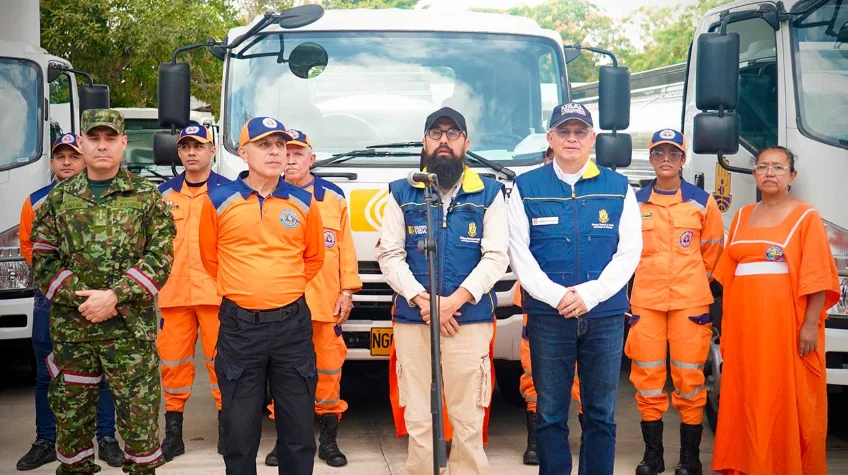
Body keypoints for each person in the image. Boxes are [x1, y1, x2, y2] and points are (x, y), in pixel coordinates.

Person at [31, 109, 175, 474]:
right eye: (93, 139)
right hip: (74, 336)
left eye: (110, 138)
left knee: (140, 430)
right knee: (72, 426)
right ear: (81, 144)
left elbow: (161, 257)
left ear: (123, 143)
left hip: (129, 334)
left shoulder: (147, 197)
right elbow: (43, 260)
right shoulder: (58, 200)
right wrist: (86, 300)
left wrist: (114, 296)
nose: (102, 146)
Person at [508, 102, 642, 475]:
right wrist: (556, 296)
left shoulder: (618, 188)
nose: (571, 138)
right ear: (549, 138)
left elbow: (630, 251)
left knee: (601, 413)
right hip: (549, 317)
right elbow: (518, 251)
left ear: (592, 139)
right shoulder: (526, 186)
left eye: (579, 132)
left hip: (605, 316)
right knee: (550, 412)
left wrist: (589, 295)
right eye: (563, 131)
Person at [376, 107, 508, 475]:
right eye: (436, 134)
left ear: (466, 142)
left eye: (453, 134)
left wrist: (453, 303)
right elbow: (389, 254)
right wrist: (424, 301)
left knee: (468, 419)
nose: (444, 141)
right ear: (425, 142)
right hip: (413, 321)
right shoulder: (401, 192)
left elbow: (496, 258)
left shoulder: (490, 193)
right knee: (418, 416)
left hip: (469, 321)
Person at [198, 117, 325, 475]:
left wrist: (281, 288)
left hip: (292, 328)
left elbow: (314, 257)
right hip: (240, 330)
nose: (275, 152)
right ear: (243, 152)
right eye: (264, 145)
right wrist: (248, 289)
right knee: (239, 434)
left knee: (298, 432)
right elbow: (211, 258)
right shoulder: (218, 201)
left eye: (280, 146)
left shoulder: (302, 202)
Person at [711, 146, 839, 475]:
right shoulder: (739, 217)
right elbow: (727, 277)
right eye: (763, 166)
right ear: (753, 174)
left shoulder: (805, 216)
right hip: (744, 329)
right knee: (747, 395)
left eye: (779, 168)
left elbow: (818, 278)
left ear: (791, 176)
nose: (770, 173)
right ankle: (746, 463)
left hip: (785, 327)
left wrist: (810, 326)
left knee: (783, 397)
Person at [17, 133, 123, 471]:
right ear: (52, 162)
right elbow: (31, 250)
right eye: (59, 156)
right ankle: (46, 440)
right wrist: (68, 288)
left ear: (84, 159)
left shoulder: (105, 198)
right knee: (47, 375)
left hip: (98, 301)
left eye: (73, 156)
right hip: (51, 301)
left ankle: (106, 438)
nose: (66, 162)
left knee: (104, 372)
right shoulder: (36, 201)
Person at [626, 129, 724, 475]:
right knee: (647, 378)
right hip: (647, 303)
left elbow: (712, 250)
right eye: (658, 153)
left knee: (689, 379)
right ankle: (653, 456)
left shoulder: (702, 201)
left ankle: (689, 458)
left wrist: (694, 280)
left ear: (683, 159)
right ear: (651, 159)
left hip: (690, 304)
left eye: (672, 153)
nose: (665, 159)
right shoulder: (634, 201)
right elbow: (625, 251)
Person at [264, 129, 362, 468]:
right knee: (283, 375)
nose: (290, 159)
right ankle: (283, 441)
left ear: (311, 158)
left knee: (328, 372)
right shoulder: (268, 196)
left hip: (324, 306)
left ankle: (329, 440)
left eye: (297, 153)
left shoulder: (332, 198)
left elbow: (346, 249)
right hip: (282, 306)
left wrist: (347, 292)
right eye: (285, 153)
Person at [157, 123, 230, 460]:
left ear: (212, 152)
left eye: (198, 146)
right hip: (173, 297)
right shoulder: (162, 194)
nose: (191, 152)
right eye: (185, 147)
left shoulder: (228, 193)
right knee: (173, 365)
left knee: (223, 365)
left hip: (217, 295)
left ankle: (227, 431)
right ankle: (174, 434)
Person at [513, 146, 584, 467]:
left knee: (583, 377)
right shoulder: (526, 195)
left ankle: (581, 437)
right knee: (534, 374)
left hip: (582, 303)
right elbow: (517, 250)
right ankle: (536, 442)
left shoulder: (581, 198)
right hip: (538, 305)